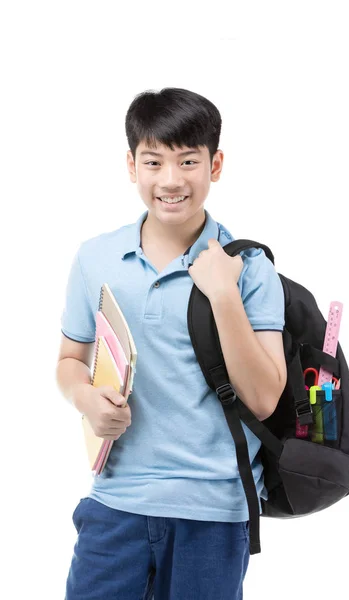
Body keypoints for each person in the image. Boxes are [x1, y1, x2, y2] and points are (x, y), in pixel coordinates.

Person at [56, 87, 287, 600]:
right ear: (132, 165)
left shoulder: (250, 269)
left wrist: (223, 293)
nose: (171, 180)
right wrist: (86, 399)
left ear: (215, 164)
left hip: (214, 511)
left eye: (188, 161)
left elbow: (265, 398)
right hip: (116, 502)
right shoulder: (96, 258)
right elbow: (70, 360)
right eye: (154, 161)